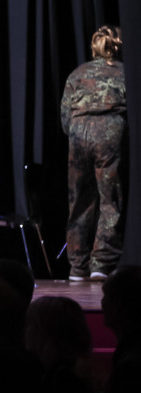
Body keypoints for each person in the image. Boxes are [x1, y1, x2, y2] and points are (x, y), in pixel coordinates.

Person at [60, 25, 127, 281]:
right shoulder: (124, 72)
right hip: (109, 131)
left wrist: (78, 132)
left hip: (78, 132)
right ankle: (101, 264)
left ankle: (77, 267)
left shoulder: (78, 73)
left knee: (79, 199)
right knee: (110, 198)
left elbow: (65, 117)